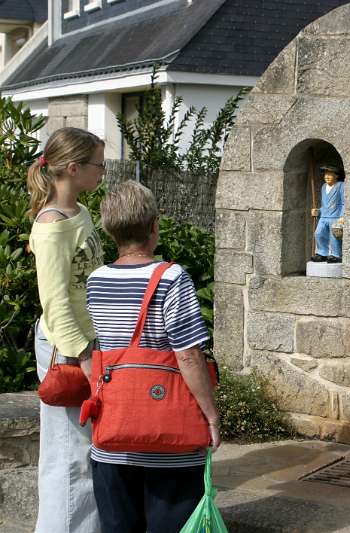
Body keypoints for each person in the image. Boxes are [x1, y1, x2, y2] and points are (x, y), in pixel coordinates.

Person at [86, 180, 220, 532]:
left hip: (113, 436)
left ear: (110, 230)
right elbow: (188, 356)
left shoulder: (96, 280)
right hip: (169, 442)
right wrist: (211, 416)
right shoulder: (172, 278)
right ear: (154, 226)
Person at [27, 127, 105, 533]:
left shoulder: (79, 212)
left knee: (82, 452)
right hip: (67, 349)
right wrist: (85, 355)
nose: (103, 172)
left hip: (85, 343)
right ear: (73, 168)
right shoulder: (52, 226)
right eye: (98, 165)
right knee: (72, 457)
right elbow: (55, 302)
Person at [310, 164, 345, 263]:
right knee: (318, 233)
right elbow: (324, 204)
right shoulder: (323, 187)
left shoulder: (340, 186)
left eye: (330, 174)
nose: (327, 177)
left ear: (336, 176)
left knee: (334, 235)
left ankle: (336, 255)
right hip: (324, 216)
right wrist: (318, 211)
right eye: (325, 174)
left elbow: (343, 202)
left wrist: (342, 216)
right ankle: (322, 253)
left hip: (335, 216)